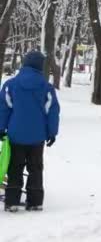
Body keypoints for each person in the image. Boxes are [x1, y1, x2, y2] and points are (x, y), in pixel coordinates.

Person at [0, 51, 60, 212]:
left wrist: (1, 128)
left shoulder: (10, 85)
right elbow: (52, 111)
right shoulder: (46, 88)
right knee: (35, 168)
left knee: (15, 167)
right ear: (40, 67)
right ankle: (35, 201)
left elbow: (4, 109)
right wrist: (52, 132)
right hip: (37, 136)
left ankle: (12, 200)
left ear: (24, 64)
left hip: (16, 135)